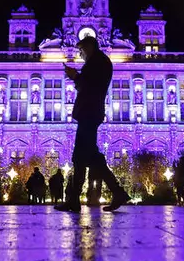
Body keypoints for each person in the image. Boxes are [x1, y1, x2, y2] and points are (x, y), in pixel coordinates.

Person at [55, 36, 129, 213]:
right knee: (81, 157)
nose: (80, 55)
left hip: (89, 112)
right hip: (90, 112)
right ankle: (78, 199)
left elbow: (89, 87)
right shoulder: (100, 62)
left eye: (81, 51)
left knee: (86, 156)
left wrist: (75, 76)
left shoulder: (98, 62)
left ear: (88, 46)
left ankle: (116, 192)